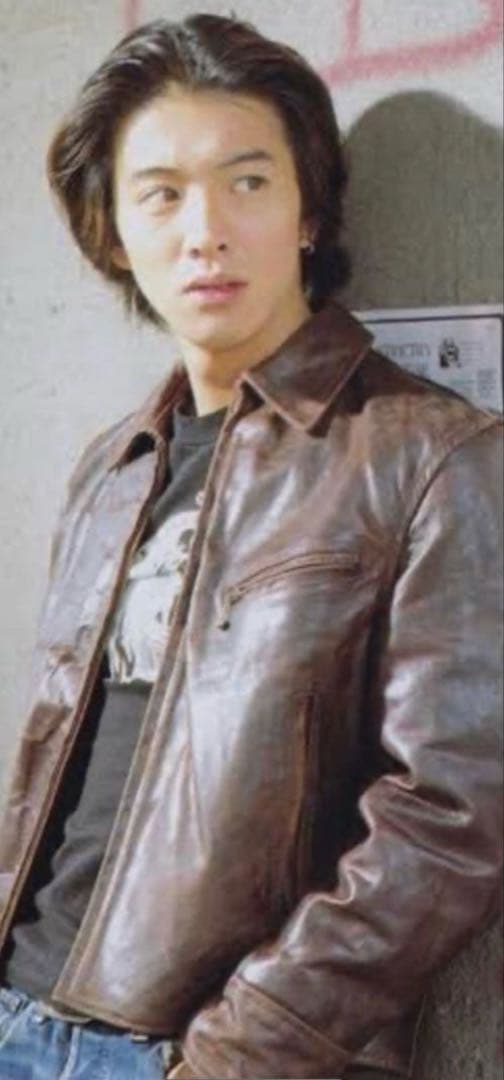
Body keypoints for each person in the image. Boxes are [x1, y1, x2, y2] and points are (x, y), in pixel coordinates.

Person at [0, 12, 502, 1080]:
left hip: (194, 1052)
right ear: (111, 233)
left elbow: (453, 816)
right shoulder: (110, 467)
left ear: (310, 212)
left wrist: (237, 1057)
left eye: (249, 182)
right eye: (161, 194)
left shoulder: (430, 454)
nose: (206, 231)